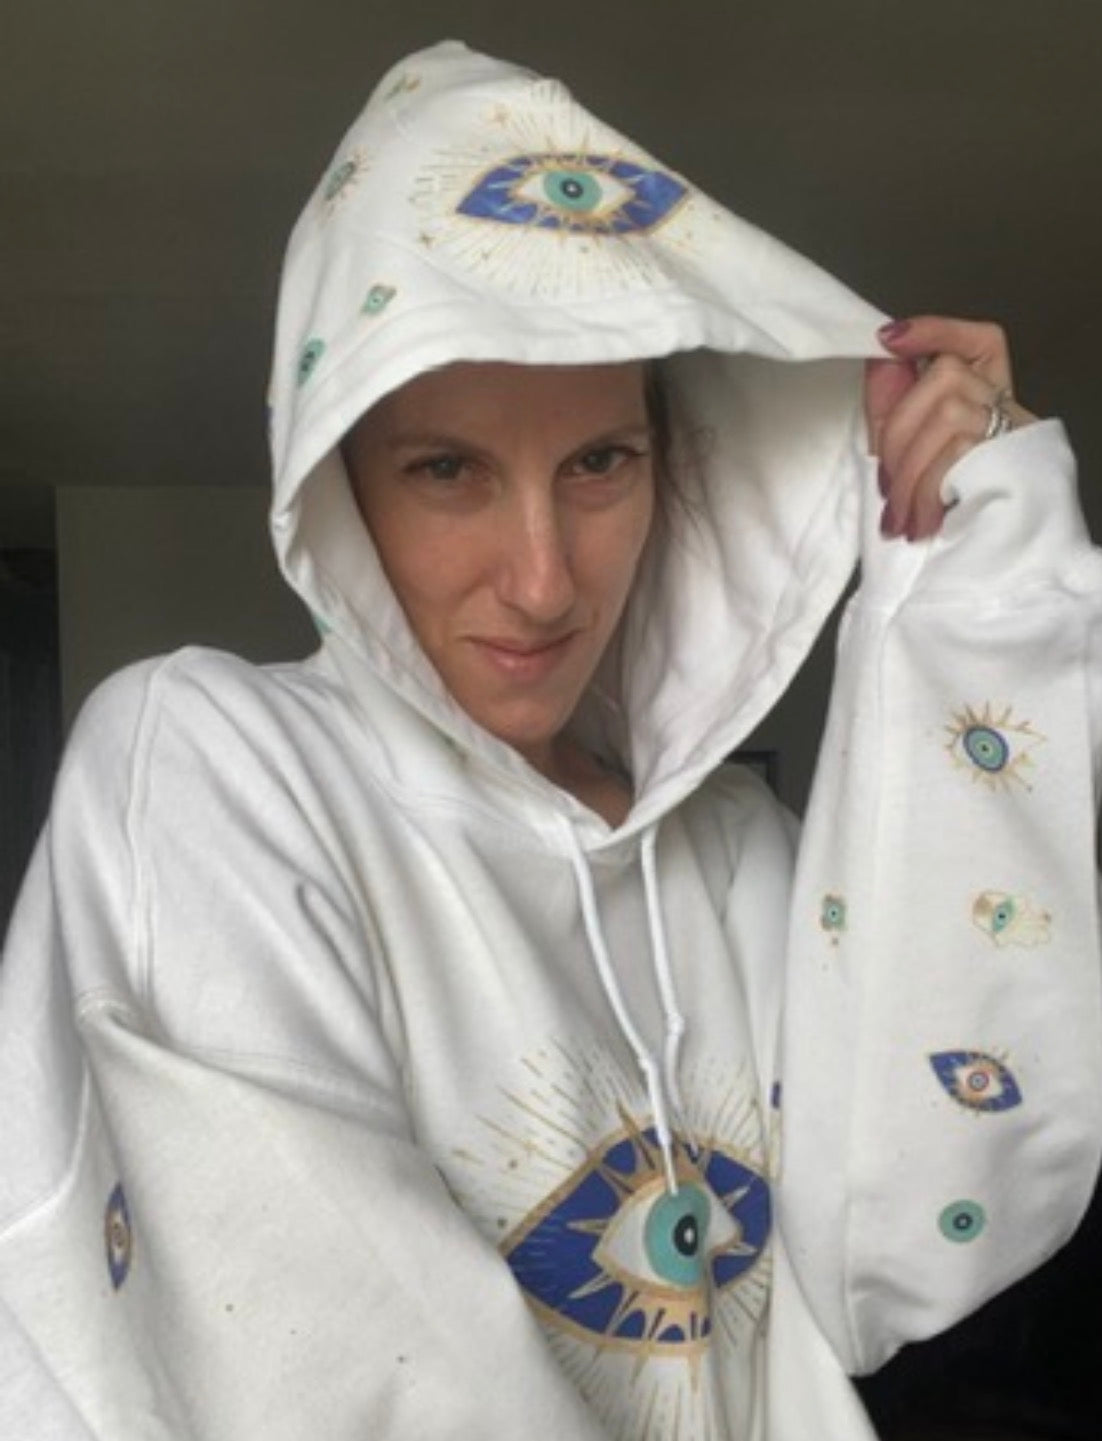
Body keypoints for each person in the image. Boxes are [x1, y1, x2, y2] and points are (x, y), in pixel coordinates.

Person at [0, 38, 1099, 1441]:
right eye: (446, 469)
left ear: (674, 467)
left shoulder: (740, 856)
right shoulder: (213, 763)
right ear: (338, 487)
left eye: (598, 462)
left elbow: (912, 1246)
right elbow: (314, 1362)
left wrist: (982, 598)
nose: (540, 580)